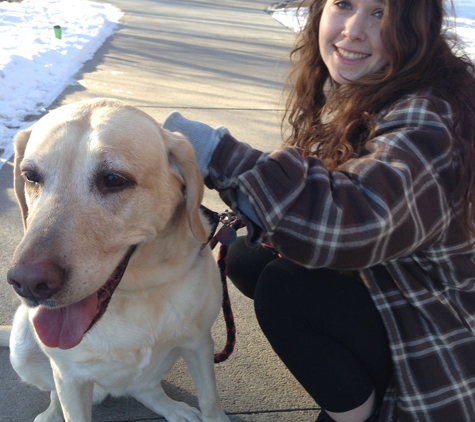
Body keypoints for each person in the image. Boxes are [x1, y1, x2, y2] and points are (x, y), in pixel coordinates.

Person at [163, 0, 475, 420]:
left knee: (286, 289)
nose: (352, 30)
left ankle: (357, 415)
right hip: (395, 279)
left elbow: (355, 222)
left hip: (438, 335)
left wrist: (213, 152)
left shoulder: (430, 119)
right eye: (343, 4)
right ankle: (355, 385)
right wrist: (256, 214)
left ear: (416, 26)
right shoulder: (383, 84)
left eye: (379, 12)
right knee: (249, 255)